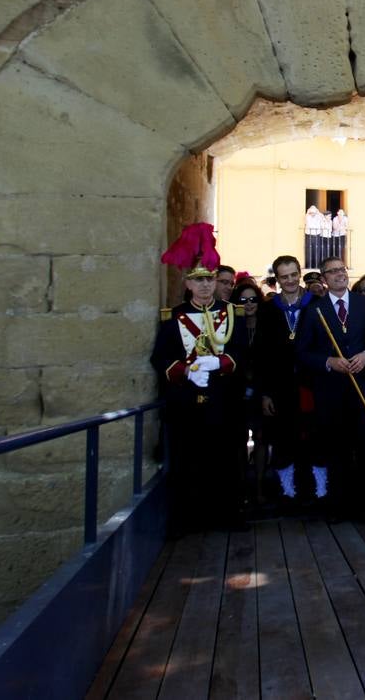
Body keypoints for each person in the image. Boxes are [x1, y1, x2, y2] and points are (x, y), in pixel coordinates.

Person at [151, 224, 247, 536]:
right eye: (198, 280)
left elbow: (243, 354)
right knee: (186, 461)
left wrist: (220, 362)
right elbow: (160, 358)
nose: (205, 286)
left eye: (210, 279)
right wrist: (186, 370)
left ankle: (229, 514)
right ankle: (187, 519)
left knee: (227, 460)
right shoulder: (172, 316)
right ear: (188, 283)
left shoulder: (233, 314)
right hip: (186, 403)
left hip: (223, 400)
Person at [296, 257, 365, 523]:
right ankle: (340, 506)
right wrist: (328, 362)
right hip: (331, 393)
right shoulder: (313, 310)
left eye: (342, 270)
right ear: (324, 278)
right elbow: (303, 353)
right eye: (333, 271)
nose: (340, 274)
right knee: (336, 449)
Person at [254, 255, 315, 508]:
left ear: (299, 273)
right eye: (284, 276)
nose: (289, 280)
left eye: (293, 275)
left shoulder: (316, 304)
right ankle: (286, 491)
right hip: (279, 388)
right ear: (276, 279)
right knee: (283, 438)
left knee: (311, 436)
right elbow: (261, 354)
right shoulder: (268, 310)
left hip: (311, 384)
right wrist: (265, 393)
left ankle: (312, 490)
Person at [231, 280, 265, 508]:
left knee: (262, 439)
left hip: (261, 391)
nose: (249, 303)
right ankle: (241, 486)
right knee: (238, 440)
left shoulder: (267, 324)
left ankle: (260, 487)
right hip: (237, 391)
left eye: (253, 299)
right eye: (243, 300)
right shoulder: (231, 325)